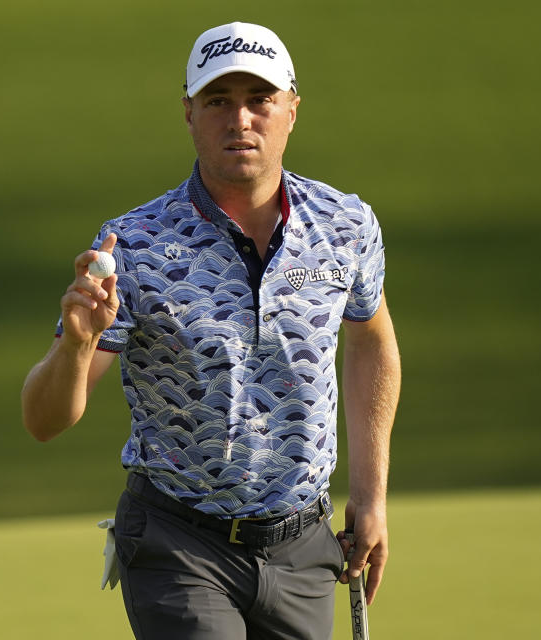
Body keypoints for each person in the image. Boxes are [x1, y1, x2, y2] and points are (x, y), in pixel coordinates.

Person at [21, 21, 401, 640]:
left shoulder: (345, 225)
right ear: (189, 115)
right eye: (219, 101)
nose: (241, 120)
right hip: (178, 543)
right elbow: (44, 420)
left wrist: (371, 494)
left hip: (303, 545)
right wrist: (79, 342)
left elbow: (371, 342)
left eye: (260, 100)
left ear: (291, 111)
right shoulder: (136, 246)